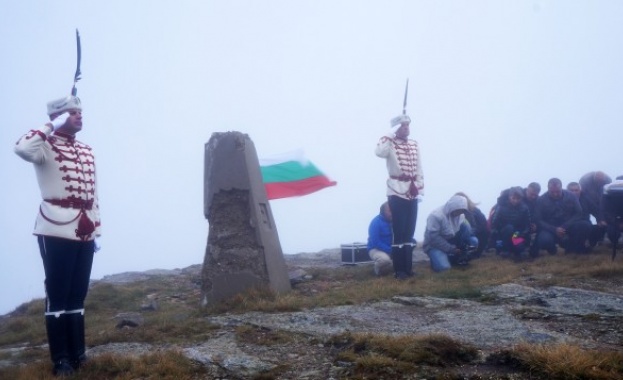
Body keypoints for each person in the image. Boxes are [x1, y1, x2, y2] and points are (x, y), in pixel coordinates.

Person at [14, 95, 101, 376]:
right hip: (55, 226)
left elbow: (93, 195)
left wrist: (95, 230)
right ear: (59, 117)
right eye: (71, 113)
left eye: (79, 111)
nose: (79, 116)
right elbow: (22, 148)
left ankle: (78, 354)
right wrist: (50, 125)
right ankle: (61, 359)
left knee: (78, 293)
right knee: (58, 293)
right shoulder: (45, 147)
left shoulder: (87, 151)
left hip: (84, 228)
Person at [375, 113, 424, 279]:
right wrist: (390, 133)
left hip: (412, 190)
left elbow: (419, 168)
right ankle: (399, 270)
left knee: (409, 231)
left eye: (407, 125)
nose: (406, 128)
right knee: (399, 231)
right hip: (396, 190)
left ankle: (408, 268)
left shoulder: (414, 144)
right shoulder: (390, 143)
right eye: (402, 126)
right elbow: (379, 152)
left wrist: (419, 187)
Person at [531, 178, 590, 255]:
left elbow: (579, 213)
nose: (555, 194)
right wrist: (555, 229)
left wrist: (565, 226)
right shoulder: (541, 200)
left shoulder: (571, 196)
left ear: (561, 187)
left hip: (568, 226)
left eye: (557, 191)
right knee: (544, 240)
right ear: (548, 188)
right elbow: (538, 220)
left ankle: (573, 248)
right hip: (550, 228)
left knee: (585, 225)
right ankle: (552, 250)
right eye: (552, 192)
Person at [423, 195, 478, 272]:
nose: (460, 212)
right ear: (452, 206)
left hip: (451, 242)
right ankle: (439, 259)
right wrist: (452, 249)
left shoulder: (461, 216)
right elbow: (433, 239)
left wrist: (464, 248)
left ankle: (458, 257)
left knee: (473, 241)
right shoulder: (435, 216)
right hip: (434, 246)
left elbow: (466, 231)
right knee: (444, 268)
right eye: (458, 210)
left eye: (462, 210)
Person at [490, 186, 531, 259]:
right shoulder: (501, 207)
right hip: (504, 234)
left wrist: (522, 234)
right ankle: (505, 250)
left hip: (517, 234)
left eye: (518, 198)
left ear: (521, 198)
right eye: (513, 198)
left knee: (520, 248)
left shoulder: (524, 208)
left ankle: (517, 249)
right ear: (509, 197)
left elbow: (527, 225)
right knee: (509, 228)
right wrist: (497, 237)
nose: (515, 200)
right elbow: (494, 223)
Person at [567, 181, 605, 248]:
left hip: (587, 225)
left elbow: (596, 210)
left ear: (580, 191)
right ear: (567, 191)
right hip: (570, 227)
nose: (574, 192)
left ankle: (591, 244)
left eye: (576, 190)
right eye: (571, 190)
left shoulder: (585, 199)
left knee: (602, 226)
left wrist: (600, 220)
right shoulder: (563, 200)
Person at [578, 171, 612, 245]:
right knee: (586, 218)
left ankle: (601, 238)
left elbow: (607, 193)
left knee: (603, 218)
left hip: (600, 200)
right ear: (594, 179)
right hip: (588, 199)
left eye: (601, 181)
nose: (599, 183)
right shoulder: (585, 180)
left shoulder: (608, 180)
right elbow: (584, 194)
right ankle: (587, 238)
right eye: (598, 181)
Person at [454, 192, 489, 257]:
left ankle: (470, 253)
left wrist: (468, 232)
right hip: (472, 234)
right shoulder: (457, 212)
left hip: (477, 235)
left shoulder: (473, 211)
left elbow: (481, 226)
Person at [367, 202, 393, 276]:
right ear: (383, 212)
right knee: (384, 260)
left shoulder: (393, 221)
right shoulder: (375, 222)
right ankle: (377, 270)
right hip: (375, 249)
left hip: (390, 249)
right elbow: (376, 242)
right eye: (390, 211)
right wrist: (391, 250)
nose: (392, 213)